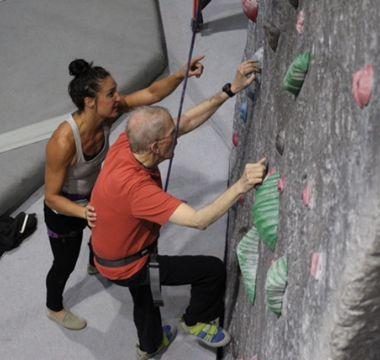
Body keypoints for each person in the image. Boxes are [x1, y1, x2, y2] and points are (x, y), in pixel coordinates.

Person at [90, 60, 264, 359]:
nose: (178, 133)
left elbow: (185, 122)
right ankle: (195, 320)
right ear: (157, 147)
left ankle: (150, 346)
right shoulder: (138, 190)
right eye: (171, 134)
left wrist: (229, 90)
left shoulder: (127, 142)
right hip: (129, 262)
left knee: (143, 297)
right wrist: (242, 184)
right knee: (210, 271)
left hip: (106, 252)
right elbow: (199, 221)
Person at [44, 56, 205, 330]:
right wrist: (84, 212)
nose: (118, 97)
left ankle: (95, 261)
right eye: (111, 93)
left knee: (106, 237)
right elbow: (51, 197)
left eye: (116, 90)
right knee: (64, 264)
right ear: (89, 101)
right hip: (66, 211)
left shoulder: (109, 112)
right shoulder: (63, 141)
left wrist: (180, 75)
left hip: (93, 199)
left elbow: (152, 94)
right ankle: (54, 307)